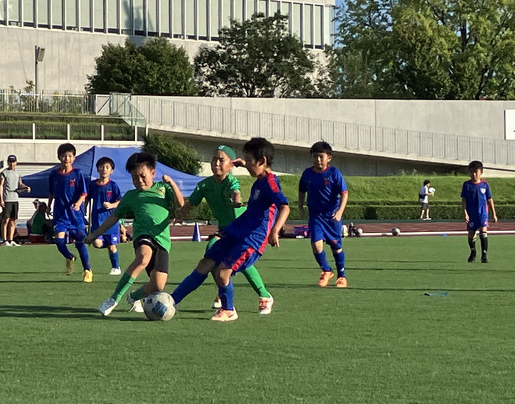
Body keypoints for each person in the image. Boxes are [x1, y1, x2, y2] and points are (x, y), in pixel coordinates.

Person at [169, 137, 290, 322]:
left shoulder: (270, 182)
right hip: (236, 231)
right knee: (205, 263)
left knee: (223, 272)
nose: (247, 164)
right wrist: (244, 163)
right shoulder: (259, 180)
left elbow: (285, 206)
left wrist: (275, 230)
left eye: (249, 160)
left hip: (252, 239)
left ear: (262, 161)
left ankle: (229, 310)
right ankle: (172, 300)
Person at [90, 151, 184, 316]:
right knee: (143, 257)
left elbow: (181, 204)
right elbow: (114, 217)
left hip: (163, 240)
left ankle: (133, 297)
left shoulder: (163, 189)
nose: (139, 180)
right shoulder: (131, 196)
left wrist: (172, 183)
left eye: (142, 176)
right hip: (143, 235)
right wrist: (95, 234)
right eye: (134, 177)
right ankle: (113, 299)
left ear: (152, 173)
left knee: (157, 287)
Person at [299, 141, 349, 288]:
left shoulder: (334, 173)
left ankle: (341, 276)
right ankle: (326, 270)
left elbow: (344, 194)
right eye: (315, 156)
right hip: (316, 216)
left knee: (336, 247)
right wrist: (300, 205)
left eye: (321, 156)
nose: (318, 160)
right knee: (316, 244)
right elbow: (302, 190)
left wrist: (339, 212)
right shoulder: (307, 174)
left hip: (332, 216)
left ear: (329, 158)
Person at [48, 142, 93, 282]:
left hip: (75, 216)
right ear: (59, 157)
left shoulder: (77, 173)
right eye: (63, 156)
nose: (66, 158)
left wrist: (79, 203)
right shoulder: (53, 175)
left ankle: (87, 271)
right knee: (59, 241)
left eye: (69, 156)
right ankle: (69, 257)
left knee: (80, 244)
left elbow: (84, 193)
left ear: (74, 158)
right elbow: (51, 192)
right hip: (60, 214)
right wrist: (48, 206)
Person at [86, 156, 123, 275]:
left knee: (112, 246)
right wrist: (83, 211)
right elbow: (86, 198)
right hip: (97, 221)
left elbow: (120, 201)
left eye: (107, 167)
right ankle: (105, 243)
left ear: (111, 171)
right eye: (102, 167)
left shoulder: (113, 185)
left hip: (111, 221)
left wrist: (112, 205)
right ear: (97, 169)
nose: (104, 169)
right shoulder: (92, 185)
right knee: (97, 244)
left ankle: (116, 267)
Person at [462, 160, 496, 264]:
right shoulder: (467, 185)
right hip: (472, 214)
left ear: (481, 172)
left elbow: (489, 199)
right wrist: (465, 213)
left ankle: (484, 255)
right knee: (471, 234)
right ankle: (473, 251)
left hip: (482, 213)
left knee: (483, 232)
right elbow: (464, 200)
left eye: (475, 172)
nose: (473, 174)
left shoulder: (485, 185)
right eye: (471, 172)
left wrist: (494, 214)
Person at [0, 154, 30, 246]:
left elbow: (20, 184)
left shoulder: (18, 173)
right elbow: (1, 185)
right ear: (8, 163)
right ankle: (4, 240)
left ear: (16, 162)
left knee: (13, 220)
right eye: (10, 162)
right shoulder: (4, 173)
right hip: (7, 199)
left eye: (13, 162)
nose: (12, 164)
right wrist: (1, 199)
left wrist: (26, 187)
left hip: (15, 199)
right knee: (6, 220)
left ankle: (10, 240)